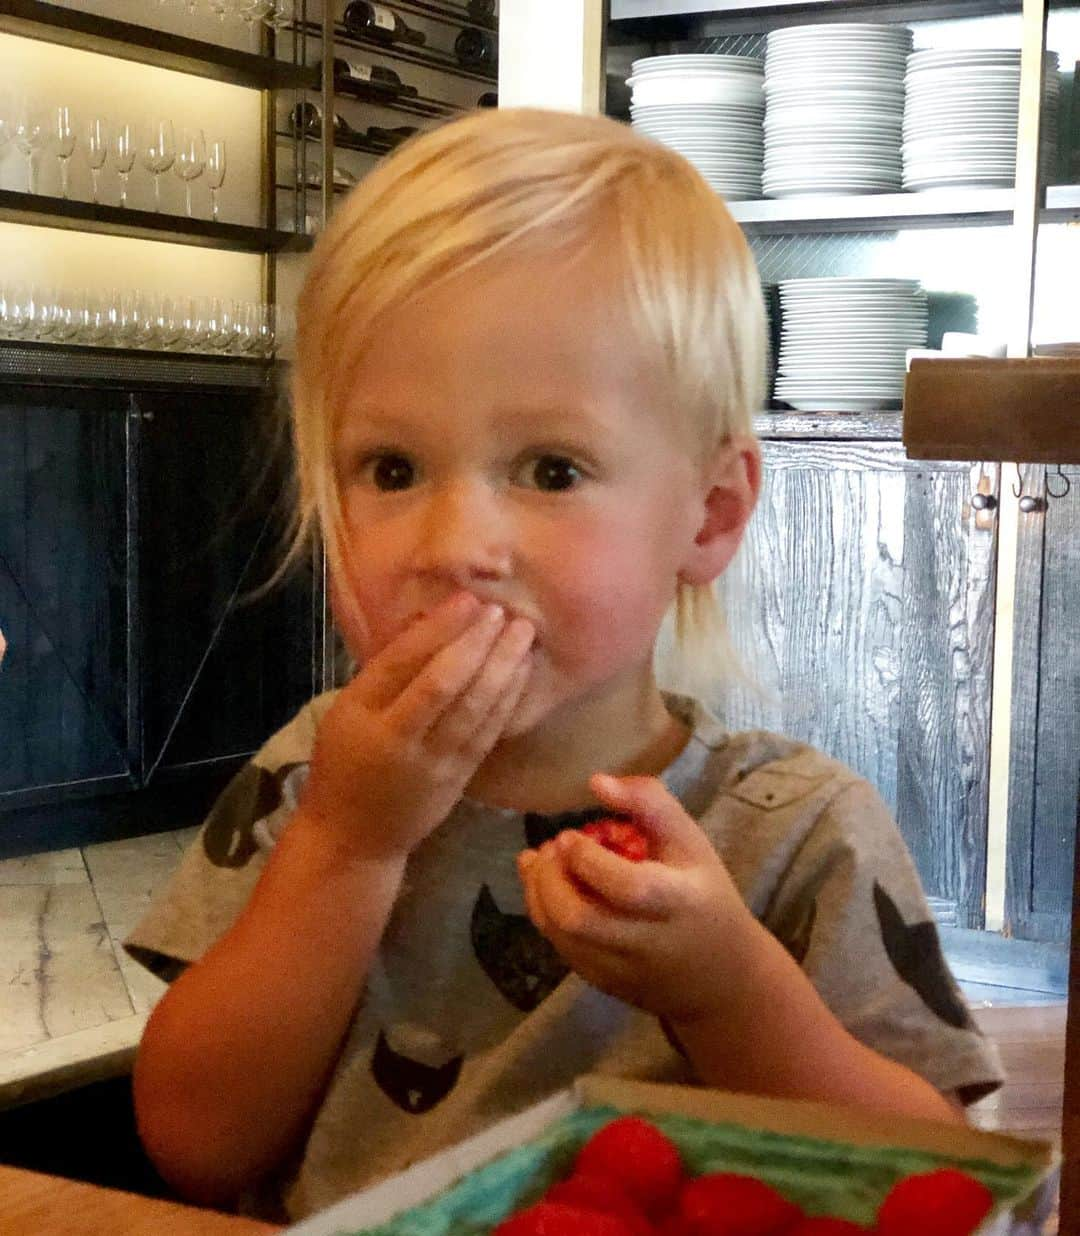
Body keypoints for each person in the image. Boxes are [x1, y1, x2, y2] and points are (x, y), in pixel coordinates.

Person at [125, 108, 1003, 1223]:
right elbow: (194, 1145)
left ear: (710, 512)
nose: (453, 546)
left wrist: (728, 988)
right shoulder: (314, 780)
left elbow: (932, 1182)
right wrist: (349, 847)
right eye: (390, 468)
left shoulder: (789, 831)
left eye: (550, 468)